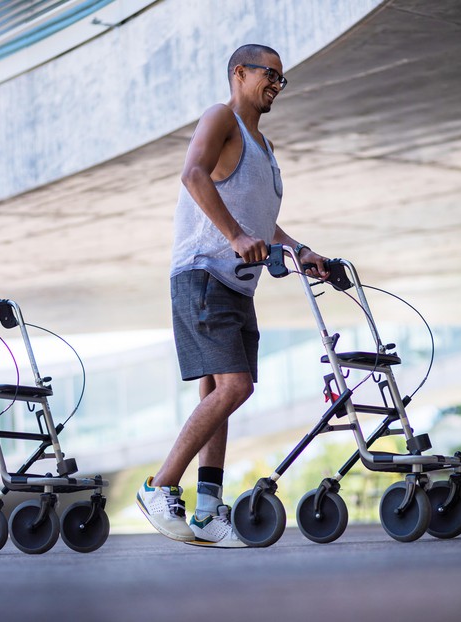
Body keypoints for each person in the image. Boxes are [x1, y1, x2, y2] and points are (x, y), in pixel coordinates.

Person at [137, 44, 329, 547]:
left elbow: (262, 222)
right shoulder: (221, 117)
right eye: (270, 75)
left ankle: (206, 509)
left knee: (220, 394)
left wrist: (301, 250)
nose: (276, 86)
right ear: (239, 72)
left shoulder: (263, 147)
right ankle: (158, 487)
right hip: (203, 275)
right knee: (235, 387)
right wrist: (235, 238)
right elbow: (193, 175)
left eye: (281, 80)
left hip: (237, 286)